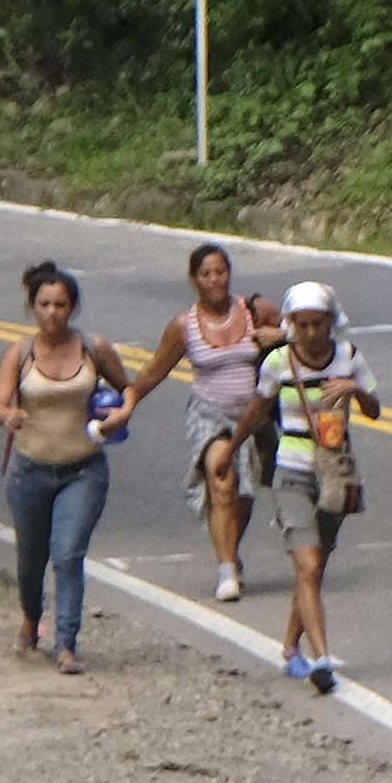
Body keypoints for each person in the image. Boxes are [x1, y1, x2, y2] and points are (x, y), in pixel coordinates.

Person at [129, 243, 279, 606]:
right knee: (221, 478)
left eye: (221, 272)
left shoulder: (255, 310)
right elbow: (154, 372)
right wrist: (126, 403)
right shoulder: (184, 327)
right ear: (194, 279)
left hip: (254, 415)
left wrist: (281, 335)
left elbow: (306, 334)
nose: (215, 280)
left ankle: (231, 550)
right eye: (206, 274)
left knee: (243, 496)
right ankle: (227, 569)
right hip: (209, 414)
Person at [0, 262, 120, 673]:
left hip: (83, 470)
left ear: (73, 307)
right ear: (32, 306)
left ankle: (66, 644)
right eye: (44, 304)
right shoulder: (21, 352)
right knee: (31, 558)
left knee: (68, 555)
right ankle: (31, 620)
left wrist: (121, 415)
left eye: (61, 304)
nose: (52, 313)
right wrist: (8, 414)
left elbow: (130, 387)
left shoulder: (93, 348)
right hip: (30, 470)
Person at [254, 283, 382, 693]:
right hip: (290, 471)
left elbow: (375, 410)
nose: (310, 332)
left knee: (316, 566)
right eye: (302, 324)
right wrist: (231, 450)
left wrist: (355, 390)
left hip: (334, 474)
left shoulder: (348, 357)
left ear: (332, 321)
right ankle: (322, 657)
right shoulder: (277, 361)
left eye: (318, 323)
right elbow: (258, 410)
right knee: (307, 564)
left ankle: (291, 645)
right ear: (290, 323)